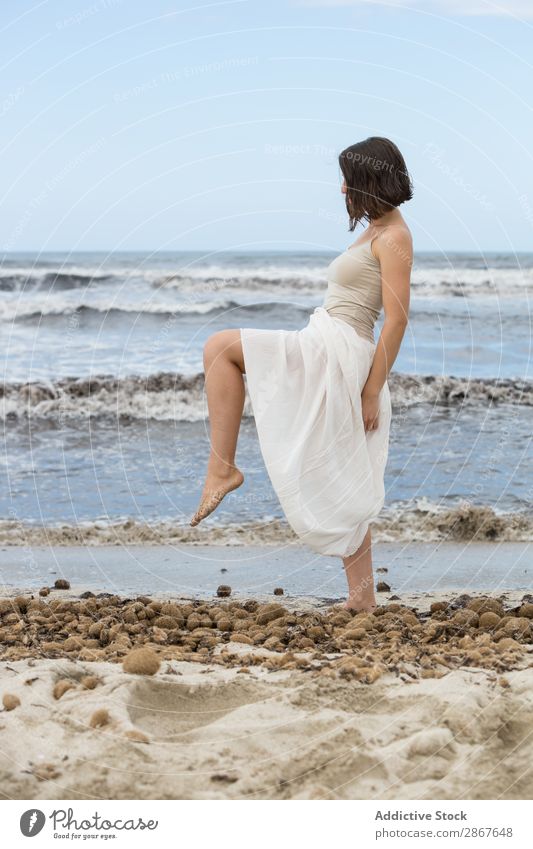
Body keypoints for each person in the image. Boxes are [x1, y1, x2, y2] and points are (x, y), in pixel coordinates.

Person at [190, 136, 413, 612]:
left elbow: (396, 319)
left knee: (219, 348)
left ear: (370, 179)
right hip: (328, 344)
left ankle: (222, 469)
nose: (342, 190)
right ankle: (363, 602)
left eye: (348, 180)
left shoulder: (394, 236)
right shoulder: (377, 229)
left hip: (342, 356)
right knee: (346, 475)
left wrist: (371, 390)